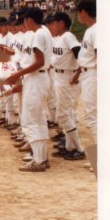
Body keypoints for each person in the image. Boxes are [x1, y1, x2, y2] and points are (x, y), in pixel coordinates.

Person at [6, 7, 53, 172]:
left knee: (31, 119)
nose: (24, 22)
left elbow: (39, 61)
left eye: (25, 19)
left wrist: (19, 73)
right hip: (38, 78)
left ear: (30, 19)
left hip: (36, 77)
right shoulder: (44, 32)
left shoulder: (39, 34)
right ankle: (41, 157)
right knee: (38, 119)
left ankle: (39, 160)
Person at [48, 11, 86, 160]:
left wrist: (78, 73)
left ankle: (79, 149)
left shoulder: (68, 36)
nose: (52, 25)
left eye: (54, 22)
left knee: (64, 114)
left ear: (61, 23)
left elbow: (79, 53)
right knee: (65, 113)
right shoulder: (59, 38)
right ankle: (70, 147)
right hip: (59, 76)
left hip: (67, 77)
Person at [71, 0, 97, 143]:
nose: (78, 15)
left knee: (91, 118)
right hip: (87, 73)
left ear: (84, 12)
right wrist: (77, 75)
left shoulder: (96, 30)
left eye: (78, 12)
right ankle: (100, 161)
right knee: (92, 117)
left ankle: (102, 162)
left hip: (93, 74)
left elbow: (100, 57)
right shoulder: (89, 30)